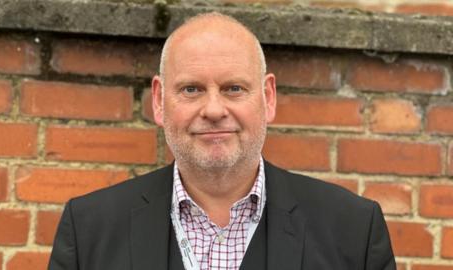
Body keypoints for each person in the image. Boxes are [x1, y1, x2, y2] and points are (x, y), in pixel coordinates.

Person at [48, 12, 396, 270]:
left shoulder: (353, 231)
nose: (214, 109)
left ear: (268, 97)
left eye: (233, 88)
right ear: (158, 100)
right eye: (191, 89)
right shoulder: (89, 229)